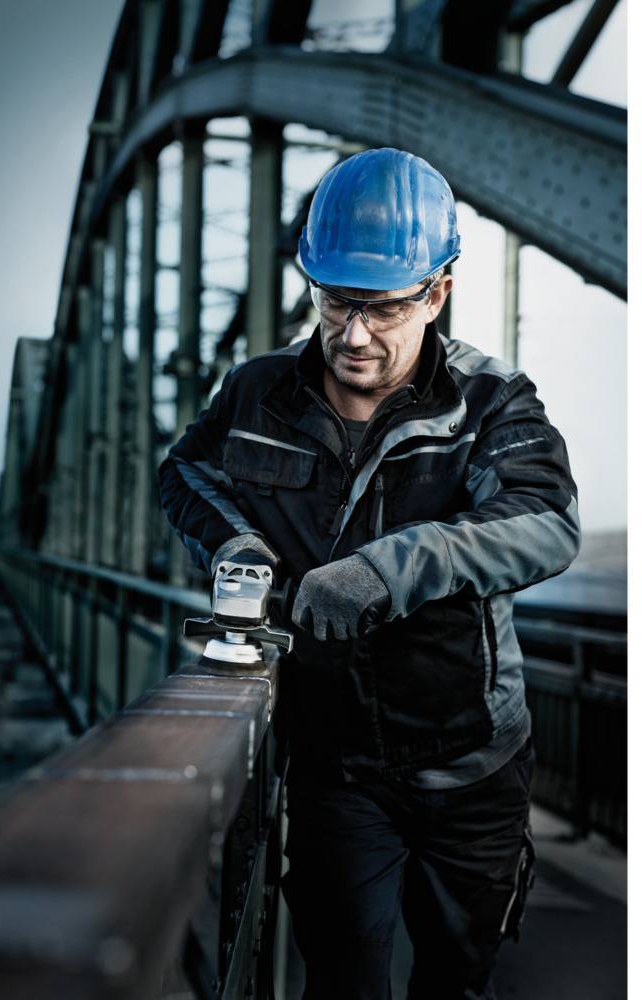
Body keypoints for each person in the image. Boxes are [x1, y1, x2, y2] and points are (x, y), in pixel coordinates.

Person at [159, 147, 580, 999]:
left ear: (438, 291)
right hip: (336, 765)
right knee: (344, 982)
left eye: (382, 308)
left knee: (456, 982)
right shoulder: (258, 392)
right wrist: (235, 541)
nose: (353, 335)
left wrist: (388, 570)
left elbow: (545, 523)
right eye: (334, 301)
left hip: (472, 763)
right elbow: (185, 473)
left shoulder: (491, 401)